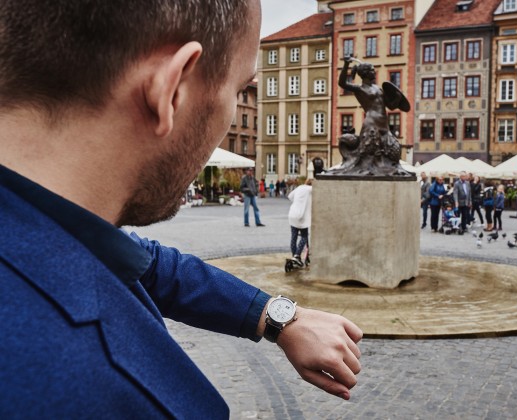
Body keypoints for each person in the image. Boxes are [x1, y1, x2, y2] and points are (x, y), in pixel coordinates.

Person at [0, 1, 362, 417]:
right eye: (237, 88)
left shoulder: (50, 223)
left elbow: (143, 263)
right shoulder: (92, 388)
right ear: (171, 90)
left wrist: (276, 317)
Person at [288, 179, 313, 267]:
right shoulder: (310, 189)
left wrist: (298, 202)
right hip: (301, 217)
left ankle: (294, 257)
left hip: (292, 214)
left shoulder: (299, 188)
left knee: (293, 237)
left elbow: (290, 196)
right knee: (304, 237)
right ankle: (297, 255)